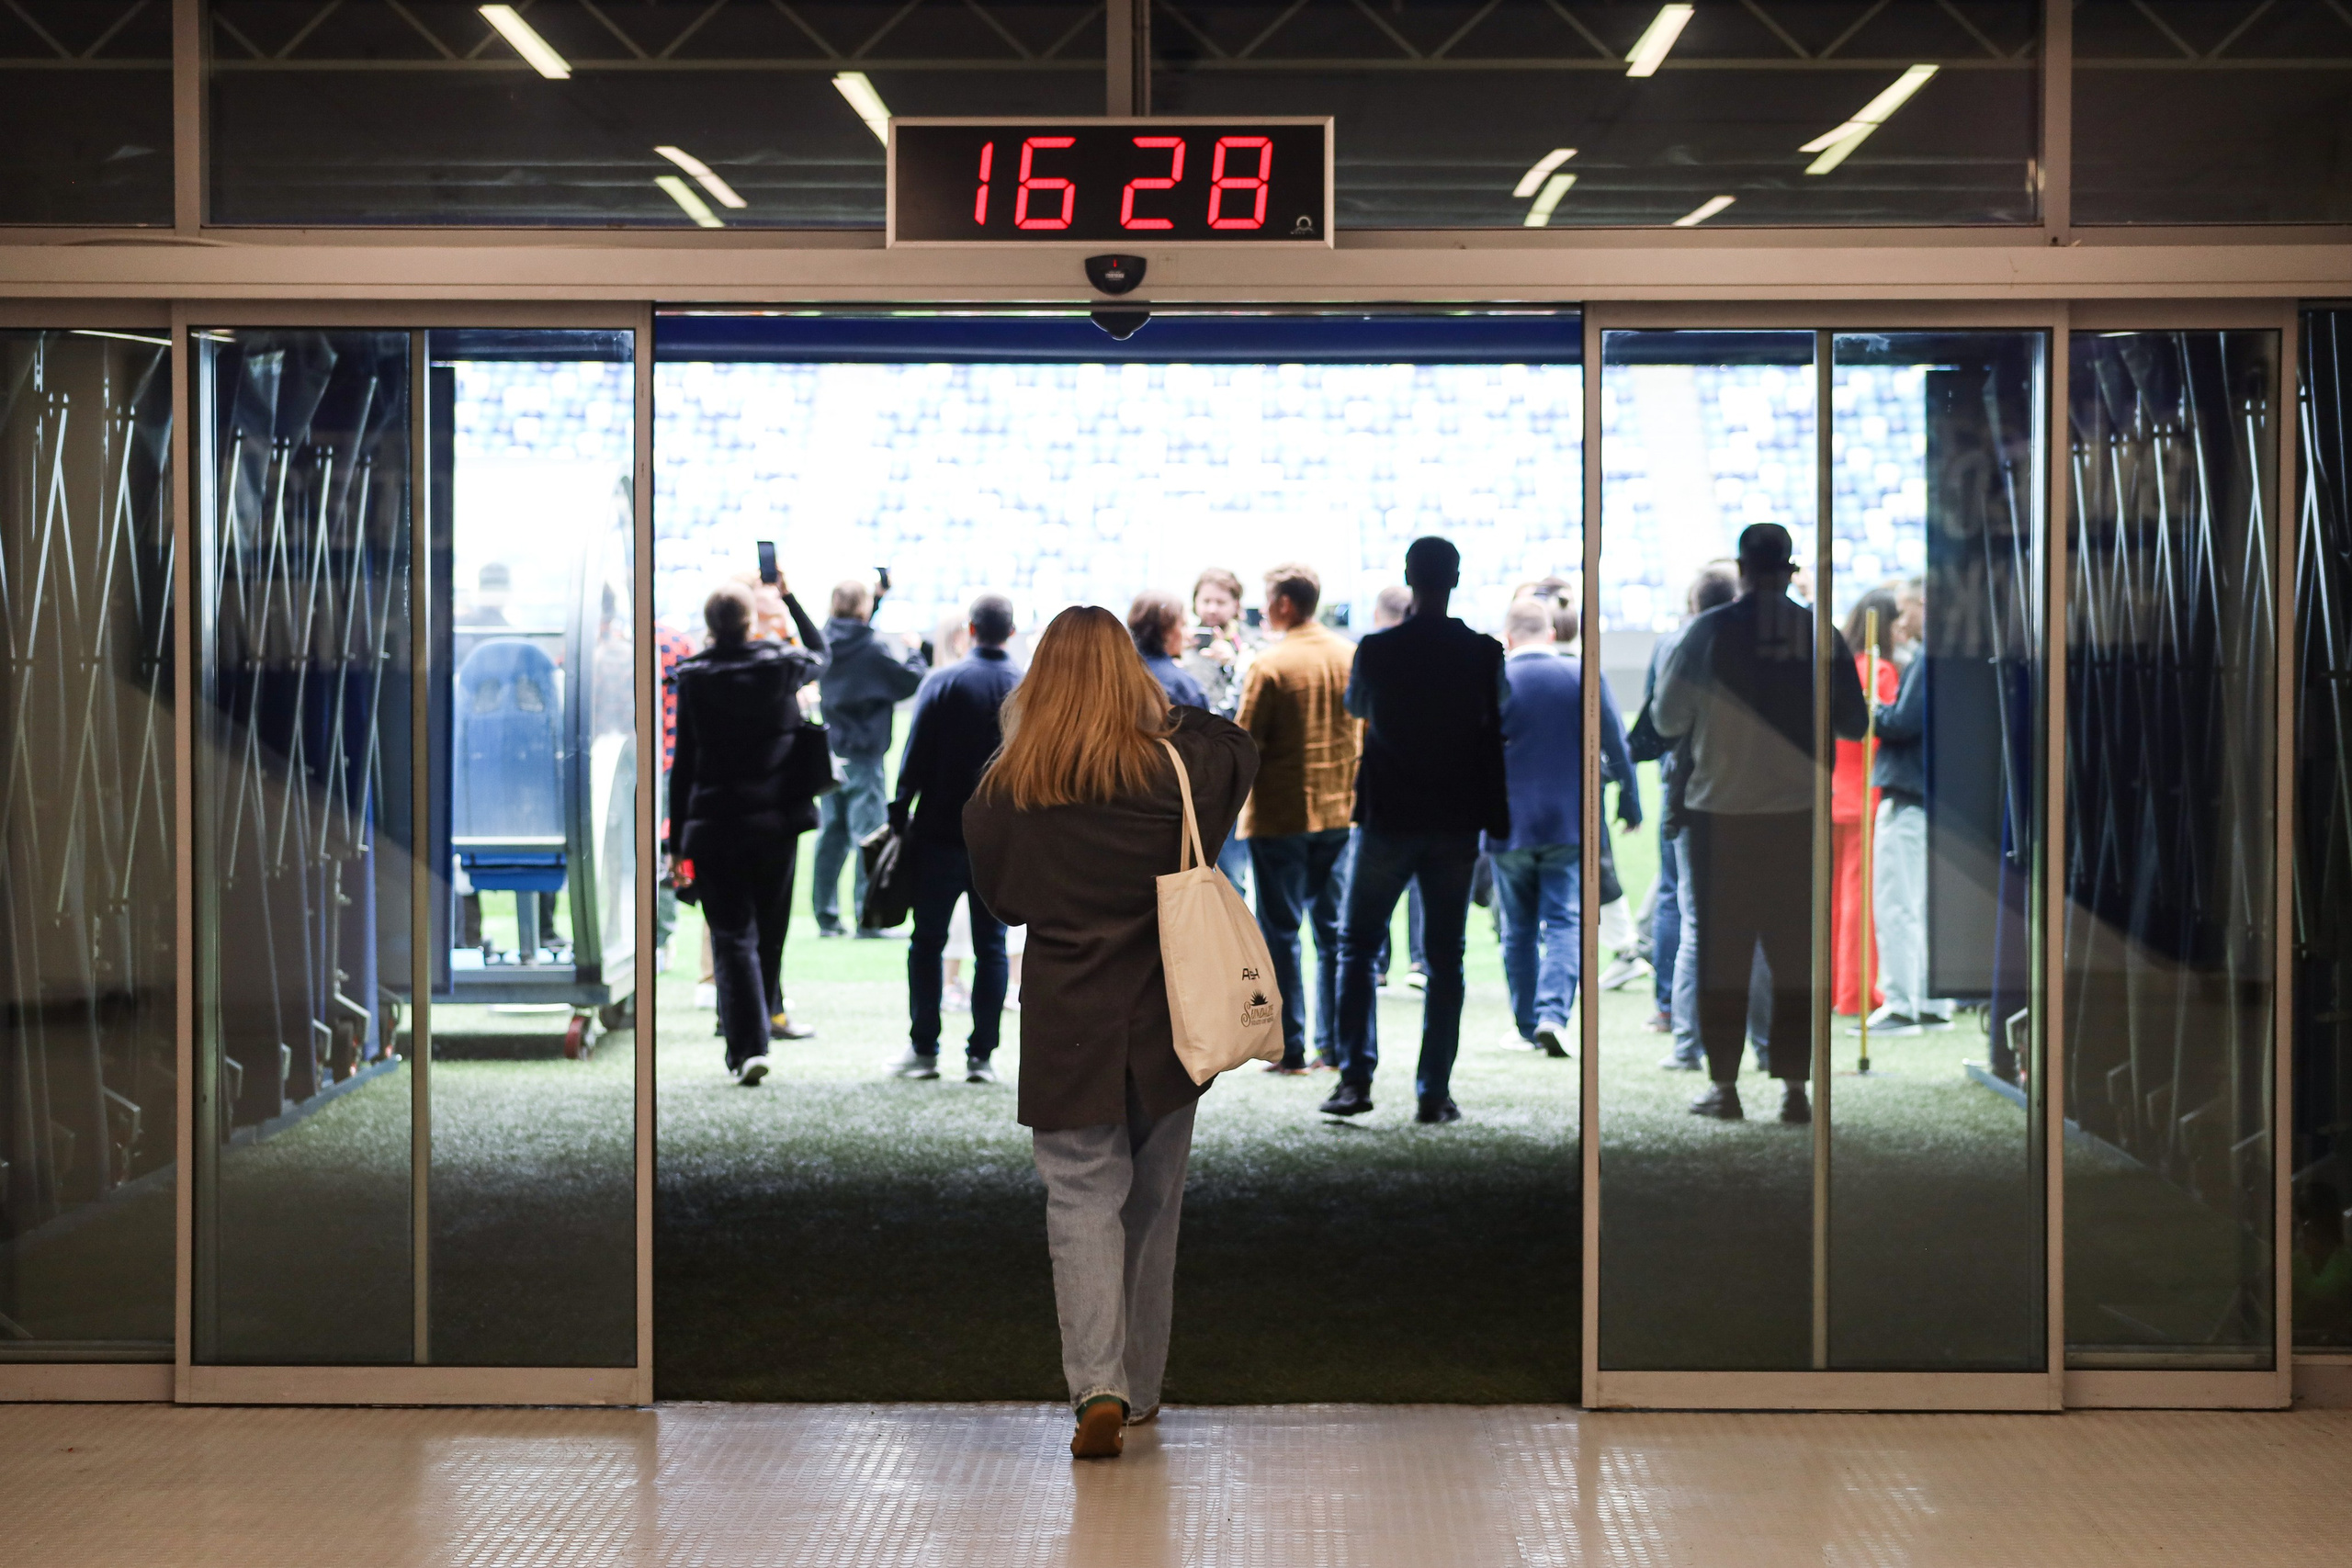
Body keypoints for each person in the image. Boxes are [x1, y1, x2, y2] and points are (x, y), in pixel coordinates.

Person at [962, 605, 1257, 1459]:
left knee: (1081, 1197)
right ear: (1134, 678)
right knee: (1153, 1203)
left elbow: (1005, 903)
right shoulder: (1182, 767)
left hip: (1069, 1018)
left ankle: (1098, 1382)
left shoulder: (1009, 788)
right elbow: (1234, 740)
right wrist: (1157, 704)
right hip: (1172, 1014)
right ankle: (1143, 1386)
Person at [1651, 524, 1867, 1122]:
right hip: (1799, 815)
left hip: (1720, 814)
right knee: (1796, 955)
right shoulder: (1818, 633)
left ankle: (1724, 1087)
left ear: (1743, 569)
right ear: (1790, 569)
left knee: (1723, 954)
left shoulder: (1706, 631)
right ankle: (1795, 1089)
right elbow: (1854, 723)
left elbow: (1667, 720)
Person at [1323, 536, 1509, 1126]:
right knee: (1445, 958)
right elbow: (1497, 714)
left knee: (1358, 946)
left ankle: (1355, 1079)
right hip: (1455, 817)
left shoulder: (1378, 649)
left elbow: (1357, 707)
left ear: (1409, 577)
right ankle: (1434, 1093)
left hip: (1389, 813)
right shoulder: (1483, 651)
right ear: (1455, 578)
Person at [668, 579, 827, 1085]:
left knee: (732, 936)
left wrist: (674, 842)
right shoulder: (781, 666)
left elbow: (683, 766)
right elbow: (822, 652)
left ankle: (747, 1046)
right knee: (770, 932)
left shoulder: (694, 679)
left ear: (710, 627)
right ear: (751, 621)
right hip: (776, 824)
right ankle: (762, 1025)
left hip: (714, 826)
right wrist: (790, 598)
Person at [1486, 596, 1636, 1057]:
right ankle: (1554, 1014)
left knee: (1518, 928)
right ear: (1551, 634)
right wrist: (1630, 801)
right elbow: (1616, 744)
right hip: (1570, 823)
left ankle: (1527, 1023)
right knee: (1566, 920)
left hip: (1508, 824)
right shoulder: (1582, 674)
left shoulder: (1494, 679)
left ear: (1508, 637)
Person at [1235, 562, 1362, 1074]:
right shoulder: (1349, 656)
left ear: (1285, 604)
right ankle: (1336, 1049)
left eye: (1268, 599)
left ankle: (1290, 1048)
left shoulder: (1270, 664)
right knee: (1333, 935)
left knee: (1281, 933)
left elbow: (1246, 744)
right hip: (1340, 812)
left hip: (1280, 816)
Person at [890, 593, 1022, 1083]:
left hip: (940, 831)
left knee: (927, 940)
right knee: (992, 945)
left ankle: (924, 1048)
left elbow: (914, 756)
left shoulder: (943, 681)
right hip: (1000, 836)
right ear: (1010, 633)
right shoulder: (1026, 687)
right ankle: (981, 1055)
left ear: (970, 629)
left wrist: (899, 813)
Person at [811, 576, 927, 938]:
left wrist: (874, 600)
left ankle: (826, 917)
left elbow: (851, 632)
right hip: (864, 755)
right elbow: (908, 680)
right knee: (869, 836)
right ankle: (868, 917)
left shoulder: (824, 642)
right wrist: (916, 652)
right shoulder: (873, 648)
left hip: (831, 753)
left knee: (831, 838)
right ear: (862, 608)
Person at [1866, 578, 1952, 1034]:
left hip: (1910, 794)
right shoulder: (1947, 653)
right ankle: (1930, 1002)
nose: (1899, 621)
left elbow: (1903, 722)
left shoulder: (1929, 656)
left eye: (1905, 609)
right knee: (1925, 904)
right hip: (1936, 797)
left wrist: (1869, 709)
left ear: (1925, 604)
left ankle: (1902, 1003)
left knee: (1898, 902)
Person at [1834, 587, 1902, 1018]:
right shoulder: (1881, 671)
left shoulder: (1844, 668)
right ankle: (1856, 992)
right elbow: (1884, 731)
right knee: (1860, 900)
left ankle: (1833, 986)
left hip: (1835, 791)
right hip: (1866, 794)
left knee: (1835, 897)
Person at [1181, 567, 1258, 896]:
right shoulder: (1180, 643)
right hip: (1190, 769)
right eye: (1206, 601)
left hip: (1235, 771)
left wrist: (1233, 663)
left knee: (1233, 876)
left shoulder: (1251, 647)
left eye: (1220, 602)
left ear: (1236, 605)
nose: (1212, 609)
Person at [1127, 590, 1209, 708]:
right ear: (1167, 632)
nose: (1188, 635)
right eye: (1183, 625)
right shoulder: (1184, 687)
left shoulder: (1112, 673)